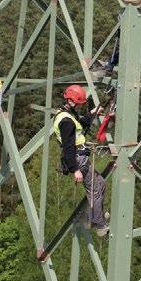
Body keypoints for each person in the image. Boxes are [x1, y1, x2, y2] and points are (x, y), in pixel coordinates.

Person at [53, 85, 109, 236]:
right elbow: (68, 147)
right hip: (78, 160)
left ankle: (93, 216)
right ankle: (99, 223)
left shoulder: (65, 114)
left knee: (101, 183)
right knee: (95, 190)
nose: (79, 106)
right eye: (78, 103)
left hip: (80, 158)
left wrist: (92, 114)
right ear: (71, 101)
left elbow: (80, 124)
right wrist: (75, 169)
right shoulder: (67, 121)